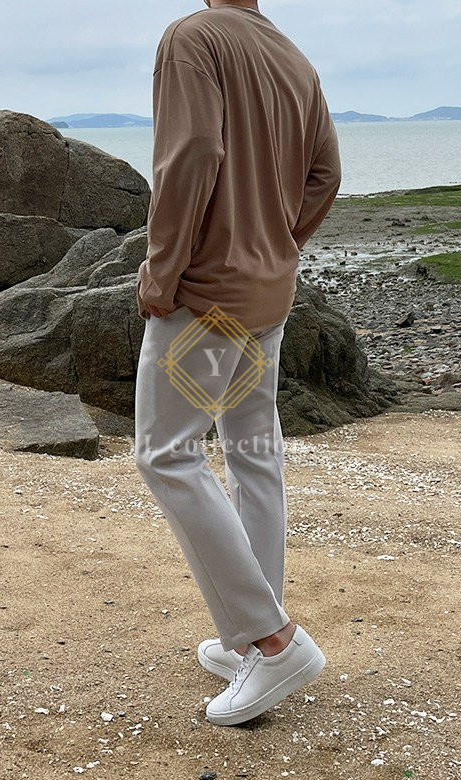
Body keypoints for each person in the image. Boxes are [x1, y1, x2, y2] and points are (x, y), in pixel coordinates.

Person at [134, 0, 342, 726]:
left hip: (208, 294)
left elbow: (191, 153)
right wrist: (277, 244)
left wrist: (162, 269)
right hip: (267, 293)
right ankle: (256, 641)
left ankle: (272, 639)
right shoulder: (293, 57)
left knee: (166, 454)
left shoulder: (193, 37)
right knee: (253, 453)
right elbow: (325, 174)